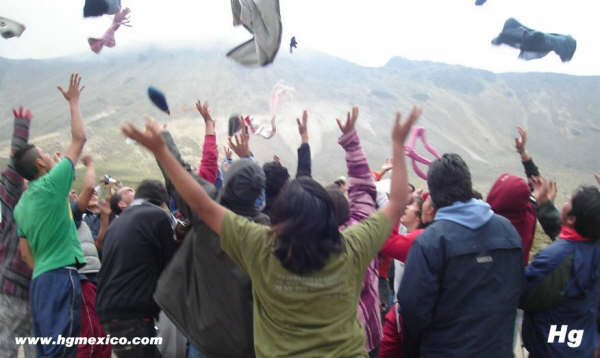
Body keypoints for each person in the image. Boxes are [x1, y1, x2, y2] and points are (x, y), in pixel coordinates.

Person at [121, 105, 421, 357]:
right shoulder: (353, 247)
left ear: (280, 216)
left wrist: (163, 152)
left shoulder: (262, 247)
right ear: (329, 218)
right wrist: (398, 146)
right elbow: (395, 204)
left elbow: (202, 205)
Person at [154, 123, 269, 358]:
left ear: (226, 183)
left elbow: (181, 177)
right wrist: (248, 159)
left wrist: (163, 139)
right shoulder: (264, 231)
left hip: (206, 336)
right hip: (248, 340)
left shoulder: (207, 211)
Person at [398, 153, 524, 358]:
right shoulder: (507, 231)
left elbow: (413, 311)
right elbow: (517, 289)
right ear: (467, 183)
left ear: (433, 193)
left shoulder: (430, 242)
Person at [13, 73, 88, 357]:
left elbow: (25, 253)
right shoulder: (51, 185)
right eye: (45, 153)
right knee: (63, 349)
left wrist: (44, 266)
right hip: (61, 276)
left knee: (46, 349)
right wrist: (74, 102)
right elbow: (79, 138)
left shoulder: (21, 205)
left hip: (40, 282)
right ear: (43, 163)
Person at [96, 180, 178, 358]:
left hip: (109, 310)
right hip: (132, 312)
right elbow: (173, 264)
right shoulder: (157, 216)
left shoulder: (117, 223)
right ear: (163, 202)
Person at [521, 178, 600, 358]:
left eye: (568, 202)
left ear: (572, 219)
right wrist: (545, 205)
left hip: (552, 348)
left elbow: (522, 295)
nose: (563, 203)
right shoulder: (593, 245)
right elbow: (564, 234)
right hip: (584, 345)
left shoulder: (554, 259)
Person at [378, 192, 436, 358]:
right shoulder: (414, 237)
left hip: (406, 318)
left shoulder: (418, 240)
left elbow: (387, 242)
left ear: (421, 214)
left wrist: (396, 208)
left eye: (410, 204)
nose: (406, 207)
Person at [0, 107, 35, 358]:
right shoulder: (12, 199)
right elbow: (15, 167)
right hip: (11, 289)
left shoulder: (38, 202)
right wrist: (21, 128)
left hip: (35, 291)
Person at [70, 155, 111, 358]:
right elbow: (88, 191)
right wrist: (90, 166)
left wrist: (104, 217)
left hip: (96, 277)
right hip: (82, 277)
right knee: (90, 333)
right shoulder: (68, 215)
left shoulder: (85, 222)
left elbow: (98, 245)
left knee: (101, 331)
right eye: (71, 192)